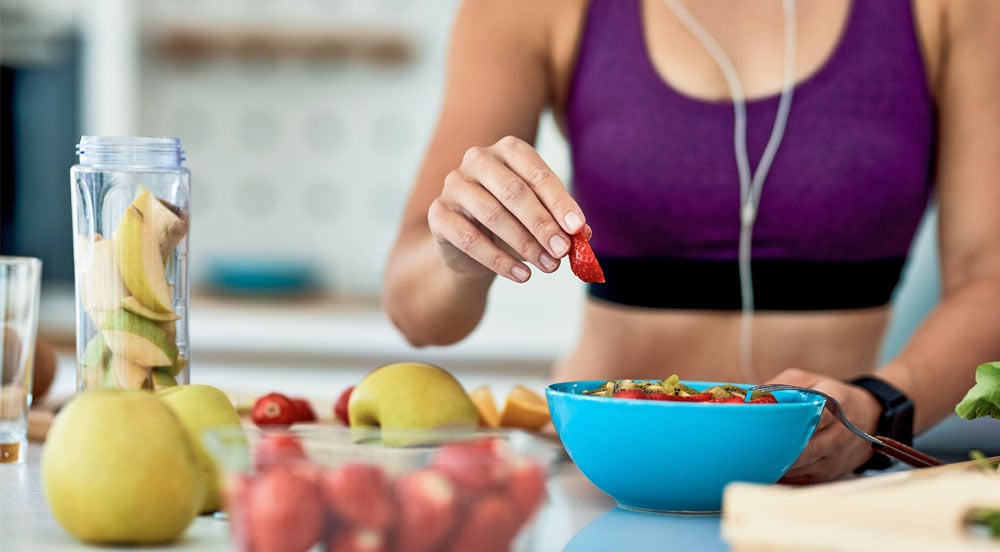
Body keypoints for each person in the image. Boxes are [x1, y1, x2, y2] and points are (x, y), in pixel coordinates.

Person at [382, 0, 1000, 483]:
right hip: (599, 479)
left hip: (824, 487)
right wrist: (458, 257)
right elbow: (417, 312)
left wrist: (880, 405)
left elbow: (989, 277)